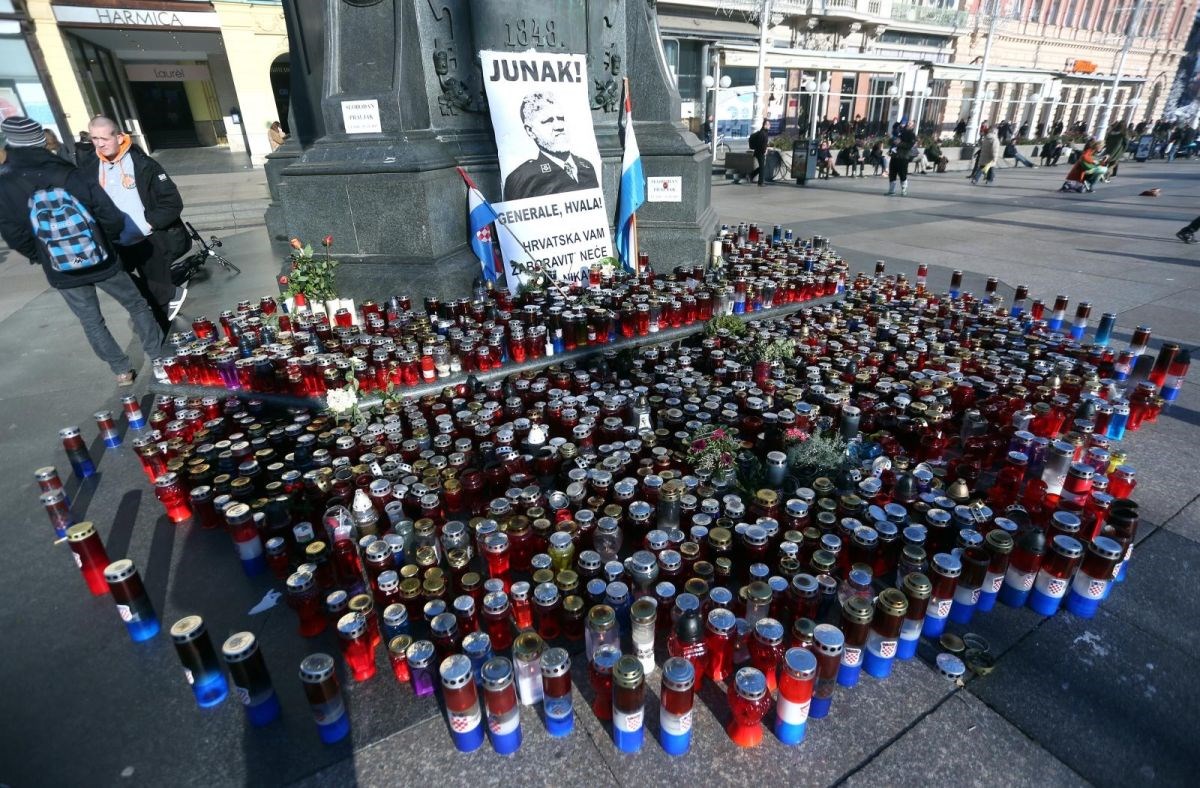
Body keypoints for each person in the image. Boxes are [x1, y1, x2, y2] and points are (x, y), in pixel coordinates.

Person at [0, 116, 164, 386]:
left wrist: (41, 254)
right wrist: (105, 241)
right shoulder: (68, 171)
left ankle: (121, 370)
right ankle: (158, 358)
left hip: (60, 267)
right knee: (136, 304)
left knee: (91, 320)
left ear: (11, 143)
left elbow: (13, 233)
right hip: (100, 258)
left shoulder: (5, 183)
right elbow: (108, 213)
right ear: (41, 141)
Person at [84, 115, 191, 323]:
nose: (99, 144)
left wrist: (147, 224)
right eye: (94, 138)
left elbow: (172, 202)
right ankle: (162, 302)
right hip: (113, 241)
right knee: (118, 282)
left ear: (119, 136)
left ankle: (166, 321)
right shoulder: (90, 168)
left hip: (147, 238)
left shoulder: (143, 164)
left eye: (104, 138)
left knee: (160, 296)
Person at [503, 92, 599, 200]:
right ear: (530, 131)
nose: (559, 126)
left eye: (561, 118)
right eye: (548, 121)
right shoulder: (522, 178)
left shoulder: (586, 167)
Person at [887, 120, 917, 196]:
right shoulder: (899, 132)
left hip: (903, 157)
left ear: (912, 126)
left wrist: (899, 143)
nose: (907, 124)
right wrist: (891, 139)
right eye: (908, 122)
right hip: (895, 156)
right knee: (892, 173)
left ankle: (904, 189)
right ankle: (891, 190)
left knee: (902, 174)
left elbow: (909, 145)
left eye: (910, 123)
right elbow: (892, 142)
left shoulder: (912, 135)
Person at [748, 120, 770, 187]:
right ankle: (760, 182)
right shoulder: (762, 133)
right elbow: (761, 144)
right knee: (762, 167)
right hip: (760, 153)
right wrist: (764, 151)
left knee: (762, 167)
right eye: (768, 124)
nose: (769, 126)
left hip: (759, 152)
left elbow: (763, 143)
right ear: (765, 125)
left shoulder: (764, 132)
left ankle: (751, 175)